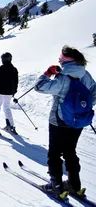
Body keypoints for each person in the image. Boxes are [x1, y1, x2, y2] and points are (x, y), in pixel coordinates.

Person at [34, 45, 96, 198]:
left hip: (59, 121)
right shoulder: (85, 74)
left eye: (60, 58)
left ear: (66, 60)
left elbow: (39, 87)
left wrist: (48, 73)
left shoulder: (63, 77)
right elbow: (94, 91)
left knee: (54, 153)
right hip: (78, 121)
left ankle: (56, 187)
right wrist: (83, 108)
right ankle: (75, 186)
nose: (59, 61)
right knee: (70, 151)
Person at [0, 52, 19, 135]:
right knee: (6, 107)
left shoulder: (0, 69)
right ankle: (10, 126)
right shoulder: (14, 69)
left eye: (3, 59)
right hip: (9, 92)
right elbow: (16, 82)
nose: (3, 60)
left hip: (0, 91)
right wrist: (13, 91)